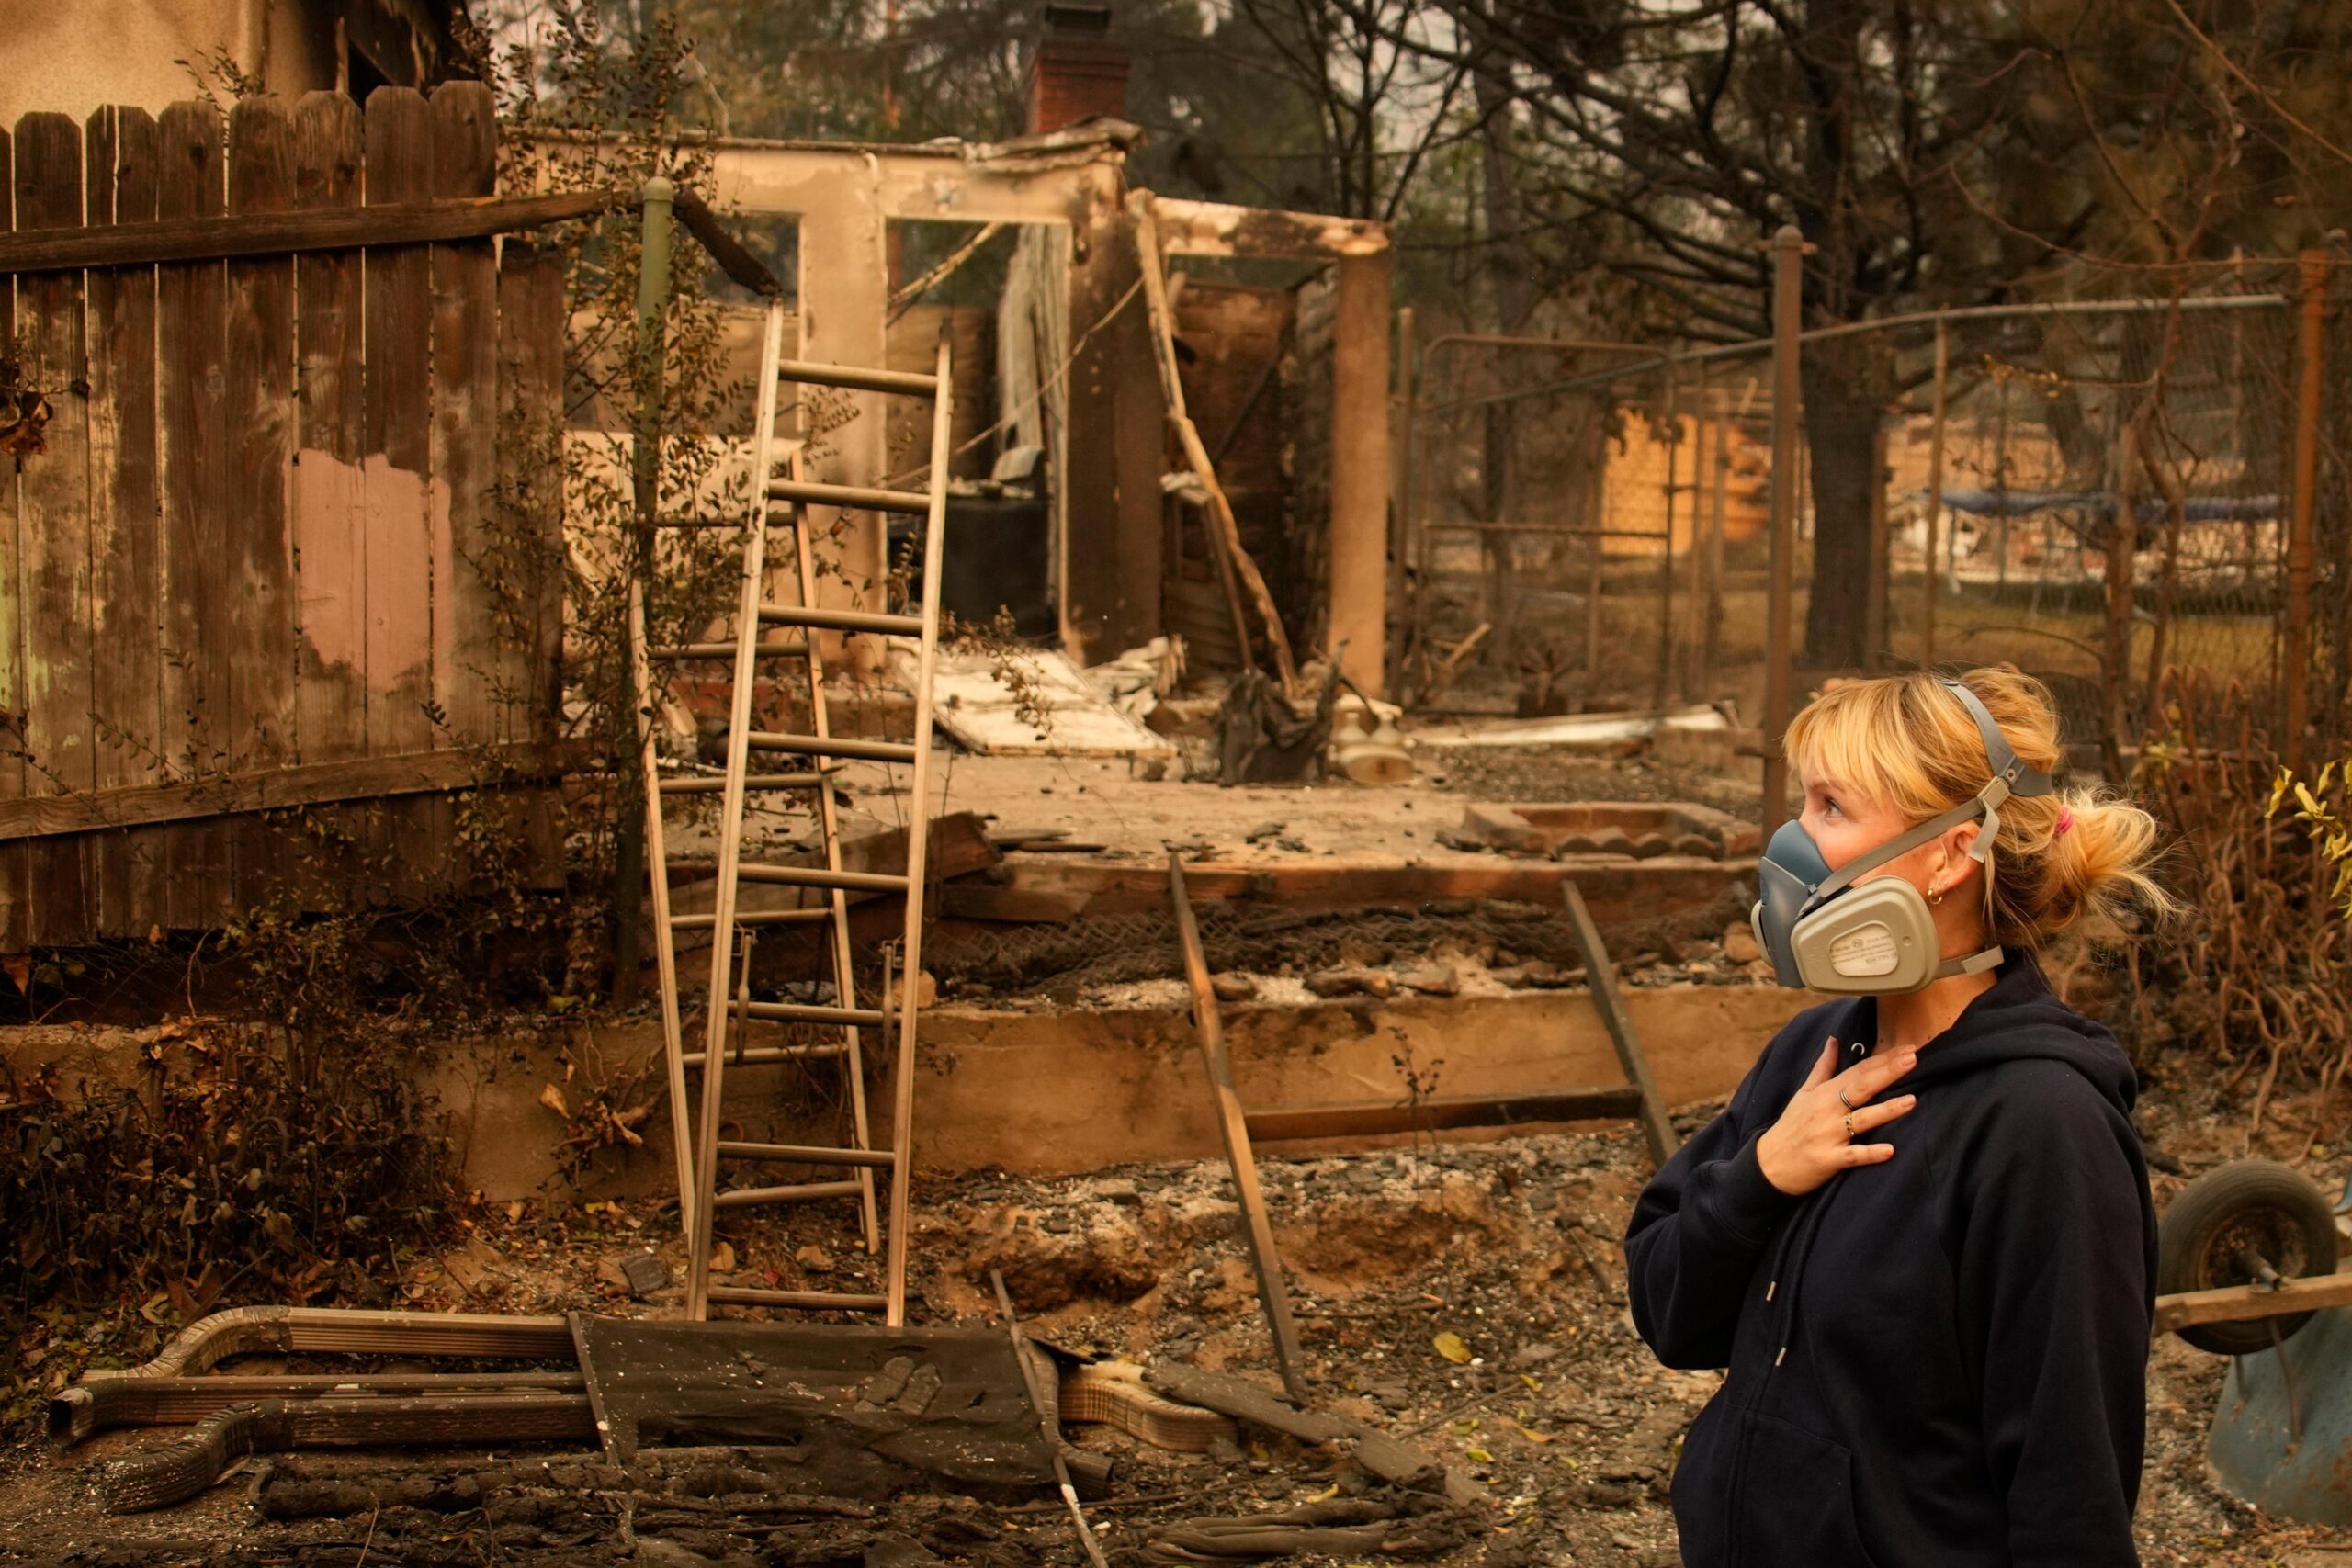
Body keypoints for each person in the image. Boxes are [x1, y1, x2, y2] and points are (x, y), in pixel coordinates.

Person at [1624, 666, 2169, 1567]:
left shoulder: (2044, 1130)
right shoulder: (1815, 1053)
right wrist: (1761, 1175)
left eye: (1830, 808)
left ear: (1950, 854)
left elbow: (2069, 1495)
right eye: (1802, 802)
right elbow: (1667, 1315)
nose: (1790, 841)